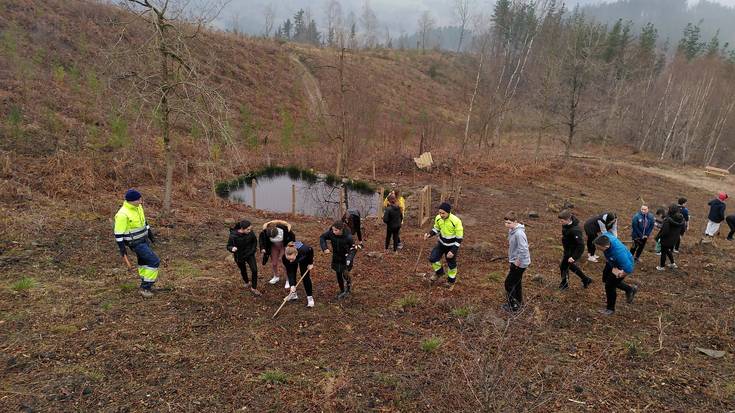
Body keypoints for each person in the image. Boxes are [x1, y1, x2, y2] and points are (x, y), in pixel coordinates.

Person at [113, 189, 160, 298]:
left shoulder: (138, 207)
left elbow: (144, 222)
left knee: (144, 262)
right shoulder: (122, 214)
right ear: (131, 201)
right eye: (138, 199)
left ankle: (145, 283)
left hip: (144, 240)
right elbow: (118, 234)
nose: (141, 201)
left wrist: (150, 234)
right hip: (135, 243)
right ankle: (145, 287)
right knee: (154, 261)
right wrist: (122, 249)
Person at [593, 233, 637, 316]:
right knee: (605, 279)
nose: (596, 248)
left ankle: (610, 309)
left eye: (598, 247)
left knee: (609, 285)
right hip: (611, 261)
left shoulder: (619, 254)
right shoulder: (605, 237)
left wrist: (621, 274)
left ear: (606, 247)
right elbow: (607, 232)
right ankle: (630, 289)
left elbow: (629, 269)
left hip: (621, 265)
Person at [424, 202, 464, 288]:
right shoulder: (438, 218)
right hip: (441, 244)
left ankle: (451, 281)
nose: (441, 215)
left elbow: (459, 238)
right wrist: (429, 234)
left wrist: (453, 251)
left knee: (451, 264)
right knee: (433, 258)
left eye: (443, 213)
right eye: (440, 213)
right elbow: (436, 229)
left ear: (448, 212)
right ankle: (439, 273)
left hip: (451, 246)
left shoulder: (456, 221)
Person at [320, 221, 356, 299]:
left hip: (345, 259)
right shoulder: (331, 234)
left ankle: (348, 289)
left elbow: (353, 249)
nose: (333, 232)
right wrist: (324, 248)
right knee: (338, 274)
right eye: (333, 230)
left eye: (336, 230)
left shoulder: (348, 237)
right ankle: (342, 290)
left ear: (341, 230)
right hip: (336, 258)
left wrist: (349, 258)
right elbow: (322, 237)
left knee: (345, 274)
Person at [558, 210, 593, 290]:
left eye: (562, 221)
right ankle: (586, 279)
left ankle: (564, 284)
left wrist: (574, 257)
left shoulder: (575, 230)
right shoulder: (566, 225)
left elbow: (581, 245)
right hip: (567, 250)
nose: (560, 222)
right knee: (569, 266)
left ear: (568, 219)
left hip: (573, 252)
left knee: (563, 266)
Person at [503, 212, 530, 312]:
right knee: (517, 282)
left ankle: (513, 306)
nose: (507, 225)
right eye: (505, 222)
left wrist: (518, 260)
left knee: (508, 284)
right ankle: (518, 302)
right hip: (515, 260)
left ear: (515, 222)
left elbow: (524, 249)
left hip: (519, 263)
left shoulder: (519, 233)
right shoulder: (512, 230)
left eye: (509, 223)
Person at [227, 220, 261, 296]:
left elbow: (254, 242)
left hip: (249, 254)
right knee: (243, 269)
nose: (250, 231)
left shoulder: (250, 233)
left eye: (250, 229)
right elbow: (228, 246)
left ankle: (254, 288)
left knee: (254, 270)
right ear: (242, 228)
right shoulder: (233, 235)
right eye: (247, 229)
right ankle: (247, 282)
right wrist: (232, 248)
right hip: (239, 256)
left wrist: (252, 251)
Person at [259, 220, 295, 289]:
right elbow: (262, 240)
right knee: (274, 263)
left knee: (283, 262)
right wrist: (263, 248)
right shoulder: (265, 231)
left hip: (283, 246)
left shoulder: (283, 230)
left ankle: (288, 279)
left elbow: (292, 237)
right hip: (274, 246)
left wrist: (291, 245)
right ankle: (276, 276)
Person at [283, 241, 315, 308]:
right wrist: (292, 285)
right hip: (297, 258)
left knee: (305, 277)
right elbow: (290, 272)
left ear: (296, 254)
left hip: (303, 259)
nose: (290, 261)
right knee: (292, 273)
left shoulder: (304, 250)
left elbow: (310, 250)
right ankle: (293, 294)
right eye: (288, 259)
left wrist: (310, 263)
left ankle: (310, 298)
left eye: (291, 259)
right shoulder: (285, 258)